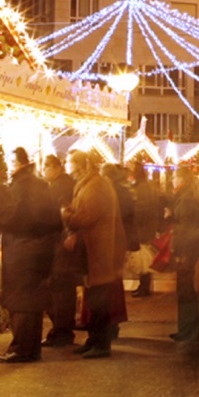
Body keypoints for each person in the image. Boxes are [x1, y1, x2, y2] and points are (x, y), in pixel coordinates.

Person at [0, 148, 60, 364]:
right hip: (40, 249)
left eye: (8, 161)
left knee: (21, 300)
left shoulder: (21, 186)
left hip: (23, 249)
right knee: (32, 299)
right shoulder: (39, 183)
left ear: (16, 162)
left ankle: (21, 348)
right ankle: (30, 348)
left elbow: (14, 217)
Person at [61, 150, 127, 358]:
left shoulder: (95, 186)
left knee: (100, 299)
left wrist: (66, 214)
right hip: (95, 250)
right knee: (95, 297)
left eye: (69, 162)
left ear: (79, 165)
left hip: (99, 250)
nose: (66, 165)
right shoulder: (91, 183)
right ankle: (94, 339)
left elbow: (85, 217)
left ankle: (101, 343)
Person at [41, 153, 80, 348]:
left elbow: (56, 215)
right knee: (63, 289)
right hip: (63, 242)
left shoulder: (59, 187)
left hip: (61, 244)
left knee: (59, 289)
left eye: (46, 166)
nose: (44, 170)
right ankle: (64, 328)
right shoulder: (64, 184)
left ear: (56, 168)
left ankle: (61, 330)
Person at [170, 165, 199, 346]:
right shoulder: (187, 198)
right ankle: (186, 329)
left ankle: (189, 331)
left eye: (175, 177)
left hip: (187, 251)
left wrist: (185, 253)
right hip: (189, 249)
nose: (172, 180)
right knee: (185, 291)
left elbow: (187, 229)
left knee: (186, 291)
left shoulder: (186, 200)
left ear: (182, 180)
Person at [130, 164, 162, 297]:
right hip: (147, 226)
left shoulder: (142, 188)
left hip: (143, 227)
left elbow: (142, 208)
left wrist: (133, 212)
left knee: (143, 258)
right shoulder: (146, 186)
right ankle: (143, 285)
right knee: (144, 257)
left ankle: (144, 287)